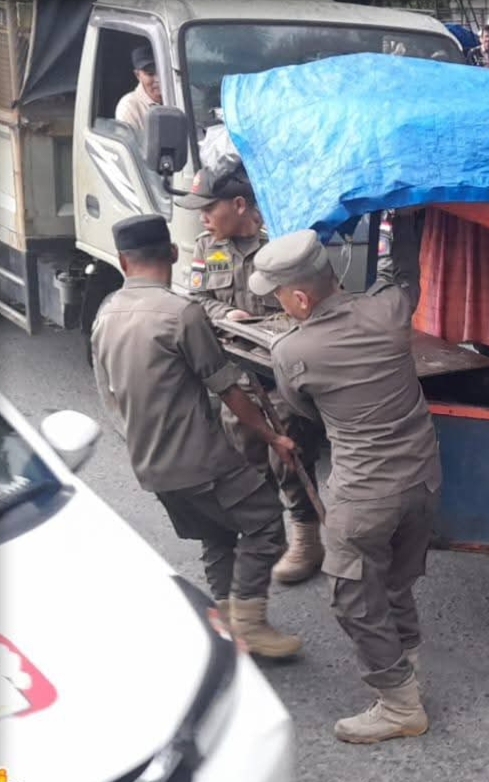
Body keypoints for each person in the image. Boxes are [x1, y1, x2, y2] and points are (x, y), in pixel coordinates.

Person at [253, 230, 442, 744]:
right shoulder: (389, 311)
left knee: (353, 595)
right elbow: (403, 270)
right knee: (396, 581)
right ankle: (410, 669)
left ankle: (400, 704)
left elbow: (303, 410)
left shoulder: (293, 351)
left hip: (366, 494)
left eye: (277, 295)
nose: (277, 304)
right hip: (423, 477)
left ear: (299, 298)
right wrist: (407, 218)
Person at [91, 215, 303, 658]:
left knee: (218, 533)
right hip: (200, 460)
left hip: (149, 463)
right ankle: (249, 625)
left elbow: (108, 394)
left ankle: (225, 626)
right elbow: (227, 389)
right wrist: (272, 438)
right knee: (265, 523)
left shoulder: (106, 314)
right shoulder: (181, 314)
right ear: (172, 254)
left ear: (122, 261)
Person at [176, 165, 326, 585]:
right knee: (244, 459)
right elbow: (199, 301)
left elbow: (311, 304)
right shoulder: (208, 246)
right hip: (236, 378)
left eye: (210, 208)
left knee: (291, 457)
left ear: (239, 204)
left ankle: (306, 538)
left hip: (282, 376)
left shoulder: (281, 245)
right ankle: (264, 533)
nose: (203, 217)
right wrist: (228, 315)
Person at [115, 45, 161, 134]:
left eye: (161, 72)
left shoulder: (182, 95)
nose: (158, 79)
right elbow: (132, 146)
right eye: (150, 74)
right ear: (138, 75)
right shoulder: (129, 106)